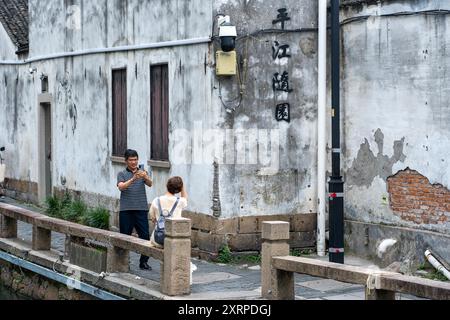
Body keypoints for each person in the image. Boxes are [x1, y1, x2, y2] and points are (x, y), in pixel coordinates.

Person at [117, 149, 153, 270]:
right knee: (124, 237)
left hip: (141, 209)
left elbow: (150, 184)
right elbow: (121, 187)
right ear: (126, 161)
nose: (134, 162)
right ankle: (122, 263)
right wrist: (133, 179)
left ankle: (143, 262)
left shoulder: (142, 171)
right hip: (126, 210)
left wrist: (145, 176)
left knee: (145, 237)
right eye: (131, 160)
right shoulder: (121, 174)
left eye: (135, 159)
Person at [149, 176, 188, 248]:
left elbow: (153, 218)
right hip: (174, 240)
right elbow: (185, 199)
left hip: (157, 240)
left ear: (167, 186)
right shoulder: (180, 201)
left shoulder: (156, 200)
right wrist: (182, 188)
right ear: (179, 189)